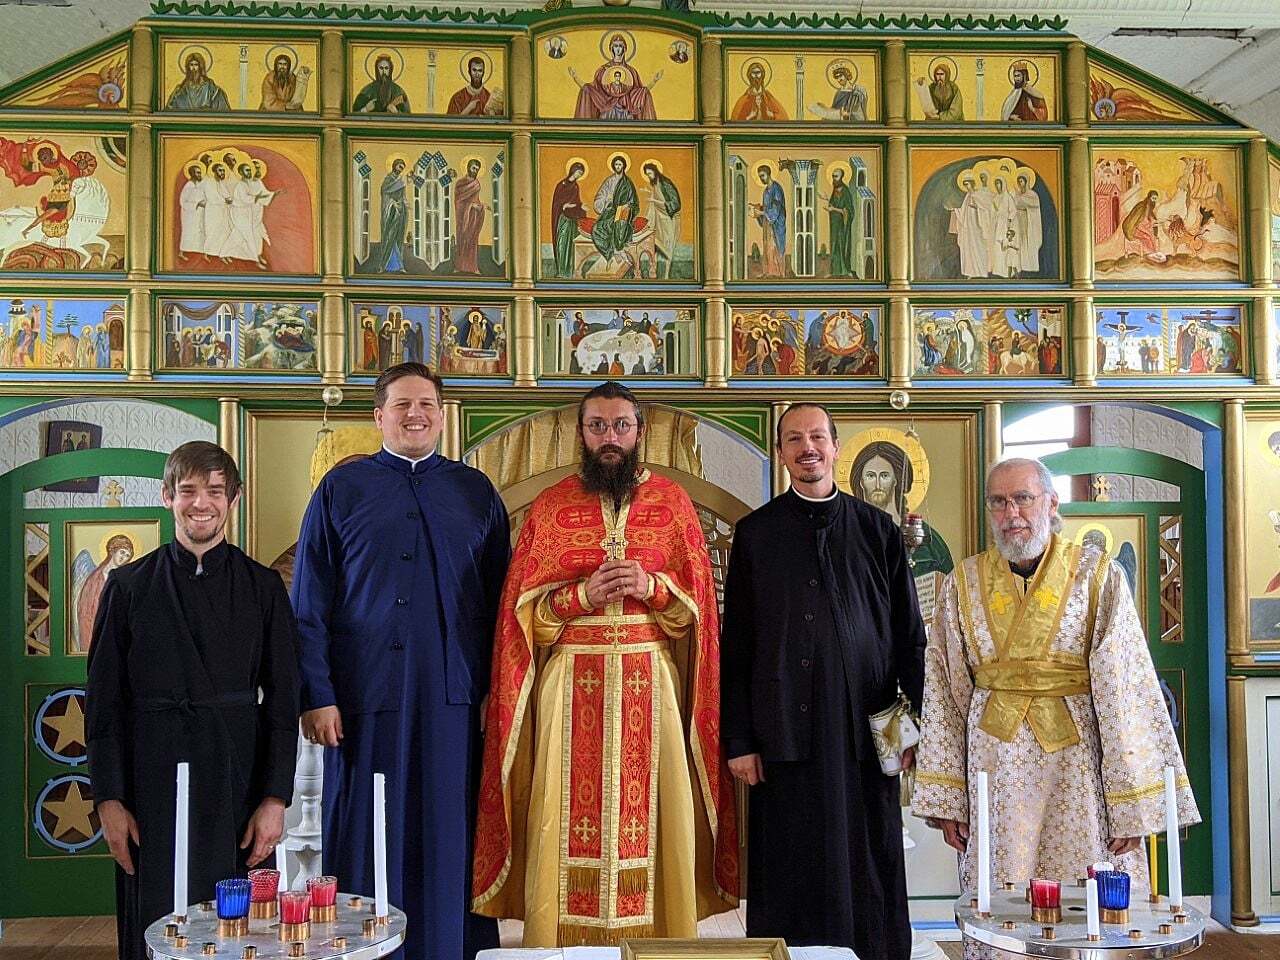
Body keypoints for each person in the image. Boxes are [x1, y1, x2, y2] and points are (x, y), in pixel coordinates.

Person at [473, 381, 739, 945]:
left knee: (657, 811)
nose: (609, 438)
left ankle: (658, 940)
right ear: (582, 432)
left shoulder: (672, 503)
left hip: (651, 676)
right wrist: (580, 597)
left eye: (621, 425)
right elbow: (523, 617)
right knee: (558, 810)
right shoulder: (551, 506)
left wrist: (656, 587)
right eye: (598, 426)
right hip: (570, 682)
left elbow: (697, 618)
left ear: (640, 432)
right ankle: (561, 938)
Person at [914, 458, 1200, 917]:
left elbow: (1125, 689)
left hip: (1078, 766)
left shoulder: (1097, 574)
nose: (1012, 513)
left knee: (1085, 896)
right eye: (999, 502)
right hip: (994, 766)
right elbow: (945, 690)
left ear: (1051, 503)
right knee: (999, 897)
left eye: (1023, 499)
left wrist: (1128, 804)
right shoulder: (962, 583)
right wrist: (951, 799)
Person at [294, 362, 509, 960]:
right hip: (363, 700)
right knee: (366, 830)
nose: (415, 415)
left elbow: (502, 603)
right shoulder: (341, 489)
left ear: (442, 415)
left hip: (454, 700)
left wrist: (499, 690)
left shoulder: (475, 492)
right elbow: (309, 599)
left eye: (427, 406)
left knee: (448, 834)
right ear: (378, 415)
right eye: (402, 405)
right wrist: (317, 693)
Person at [721, 403, 925, 960]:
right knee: (793, 859)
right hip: (784, 732)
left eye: (817, 437)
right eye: (794, 439)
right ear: (782, 452)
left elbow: (910, 635)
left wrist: (909, 733)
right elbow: (735, 645)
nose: (807, 448)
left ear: (836, 447)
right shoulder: (757, 534)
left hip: (867, 732)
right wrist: (740, 741)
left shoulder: (877, 530)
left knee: (869, 859)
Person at [85, 441, 300, 960]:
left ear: (234, 499)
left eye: (214, 491)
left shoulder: (263, 587)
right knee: (154, 918)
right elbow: (103, 702)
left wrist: (274, 799)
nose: (200, 503)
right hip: (149, 781)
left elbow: (283, 700)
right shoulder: (128, 586)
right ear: (167, 497)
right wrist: (109, 799)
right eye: (188, 491)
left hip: (237, 779)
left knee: (236, 923)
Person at [591, 154, 639, 271]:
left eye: (620, 164)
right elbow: (600, 195)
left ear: (623, 166)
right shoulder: (609, 181)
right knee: (597, 229)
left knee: (620, 224)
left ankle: (619, 250)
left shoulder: (627, 183)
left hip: (624, 210)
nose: (618, 166)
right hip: (610, 210)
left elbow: (634, 201)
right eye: (616, 164)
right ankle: (611, 253)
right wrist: (606, 201)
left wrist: (628, 205)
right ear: (613, 166)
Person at [642, 161, 681, 279]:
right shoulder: (655, 184)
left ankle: (666, 276)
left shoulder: (666, 184)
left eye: (650, 173)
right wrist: (649, 194)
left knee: (667, 248)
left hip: (668, 221)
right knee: (655, 245)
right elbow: (658, 197)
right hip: (658, 220)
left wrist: (653, 201)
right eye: (647, 174)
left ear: (655, 171)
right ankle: (654, 273)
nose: (649, 176)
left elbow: (675, 204)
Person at [551, 161, 588, 277]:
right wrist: (564, 206)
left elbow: (576, 202)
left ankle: (570, 272)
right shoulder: (561, 185)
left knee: (571, 245)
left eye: (581, 174)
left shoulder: (576, 187)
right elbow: (556, 203)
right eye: (578, 172)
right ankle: (561, 271)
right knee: (562, 244)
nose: (578, 175)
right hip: (563, 219)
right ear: (573, 170)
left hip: (572, 220)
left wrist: (581, 206)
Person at [751, 164, 787, 278]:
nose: (761, 178)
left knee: (774, 246)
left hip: (776, 223)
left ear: (769, 174)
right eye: (760, 176)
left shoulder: (776, 188)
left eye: (763, 176)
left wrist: (761, 212)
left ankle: (776, 273)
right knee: (767, 245)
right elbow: (767, 207)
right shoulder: (766, 191)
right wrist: (758, 208)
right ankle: (768, 271)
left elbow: (776, 208)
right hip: (768, 222)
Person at [452, 159, 486, 274]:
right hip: (463, 217)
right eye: (473, 168)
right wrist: (471, 206)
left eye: (477, 169)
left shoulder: (476, 184)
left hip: (474, 217)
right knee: (462, 240)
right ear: (468, 167)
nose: (475, 170)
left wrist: (480, 206)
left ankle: (473, 267)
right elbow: (458, 201)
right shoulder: (460, 183)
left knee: (472, 241)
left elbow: (476, 200)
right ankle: (459, 266)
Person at [166, 52, 231, 111]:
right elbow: (169, 109)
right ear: (188, 67)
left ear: (200, 67)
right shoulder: (180, 90)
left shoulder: (211, 89)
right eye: (191, 65)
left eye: (196, 65)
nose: (193, 68)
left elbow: (223, 110)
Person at [826, 167, 856, 278]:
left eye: (836, 176)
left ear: (841, 177)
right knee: (834, 245)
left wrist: (833, 209)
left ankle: (846, 270)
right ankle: (833, 271)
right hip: (835, 224)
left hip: (843, 226)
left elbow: (848, 210)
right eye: (833, 176)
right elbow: (832, 204)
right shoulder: (834, 191)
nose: (834, 179)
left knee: (843, 245)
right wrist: (827, 201)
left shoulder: (846, 191)